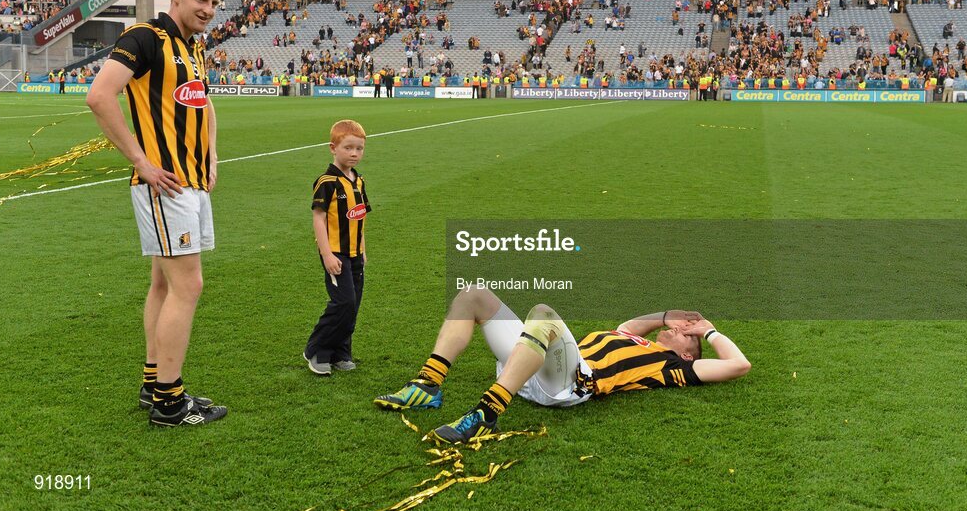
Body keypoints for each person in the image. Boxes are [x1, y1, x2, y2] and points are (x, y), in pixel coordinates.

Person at [86, 0, 226, 427]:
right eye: (201, 0)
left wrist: (211, 156)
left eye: (214, 2)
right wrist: (141, 162)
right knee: (189, 286)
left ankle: (154, 382)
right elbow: (100, 96)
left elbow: (202, 104)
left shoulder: (192, 48)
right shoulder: (145, 38)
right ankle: (170, 400)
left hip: (191, 182)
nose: (209, 10)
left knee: (164, 285)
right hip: (164, 185)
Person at [373, 286, 750, 443]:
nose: (685, 330)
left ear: (689, 354)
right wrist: (668, 315)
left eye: (689, 336)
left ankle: (487, 412)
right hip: (530, 367)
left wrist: (708, 330)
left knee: (544, 316)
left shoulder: (675, 366)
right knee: (475, 294)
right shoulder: (633, 338)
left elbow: (738, 365)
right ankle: (428, 385)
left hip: (570, 383)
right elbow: (631, 326)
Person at [304, 120, 372, 376]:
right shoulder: (327, 181)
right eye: (348, 148)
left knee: (352, 305)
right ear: (333, 148)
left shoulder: (359, 181)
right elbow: (318, 218)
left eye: (359, 148)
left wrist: (362, 248)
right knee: (342, 303)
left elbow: (360, 217)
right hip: (336, 254)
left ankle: (341, 352)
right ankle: (317, 350)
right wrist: (327, 254)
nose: (354, 154)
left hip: (355, 254)